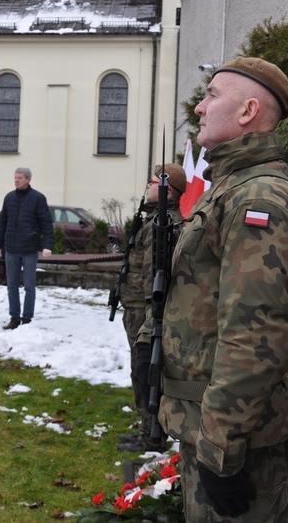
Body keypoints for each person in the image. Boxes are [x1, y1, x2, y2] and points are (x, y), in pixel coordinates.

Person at [158, 57, 288, 521]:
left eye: (212, 95)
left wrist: (222, 449)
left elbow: (256, 332)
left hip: (237, 442)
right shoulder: (231, 188)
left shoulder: (257, 198)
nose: (201, 108)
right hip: (215, 428)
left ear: (247, 112)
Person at [118, 163, 185, 452]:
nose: (148, 184)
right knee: (139, 368)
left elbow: (152, 273)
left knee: (145, 369)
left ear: (167, 189)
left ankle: (152, 432)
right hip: (134, 305)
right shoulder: (151, 220)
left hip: (143, 310)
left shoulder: (165, 223)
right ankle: (146, 425)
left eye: (154, 180)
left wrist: (149, 315)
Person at [0, 167, 53, 330]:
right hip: (11, 248)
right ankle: (14, 317)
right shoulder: (9, 198)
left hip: (29, 248)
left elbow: (46, 223)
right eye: (15, 177)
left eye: (19, 177)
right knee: (11, 285)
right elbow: (2, 223)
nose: (16, 180)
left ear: (28, 179)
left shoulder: (38, 198)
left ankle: (27, 318)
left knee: (29, 286)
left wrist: (47, 245)